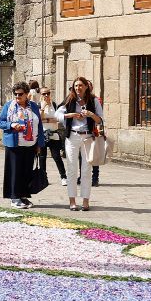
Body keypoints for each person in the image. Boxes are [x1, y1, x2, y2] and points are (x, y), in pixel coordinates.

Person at [57, 76, 104, 212]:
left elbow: (100, 120)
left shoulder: (93, 100)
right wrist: (69, 115)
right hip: (72, 136)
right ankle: (72, 201)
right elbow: (57, 114)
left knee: (86, 170)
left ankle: (85, 201)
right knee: (71, 169)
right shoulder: (69, 99)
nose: (78, 88)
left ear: (86, 87)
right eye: (76, 86)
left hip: (88, 137)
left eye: (81, 86)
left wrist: (90, 114)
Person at [0, 81, 44, 208]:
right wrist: (11, 125)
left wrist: (39, 144)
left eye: (20, 94)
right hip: (14, 144)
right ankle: (14, 197)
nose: (17, 97)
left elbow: (39, 125)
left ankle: (24, 196)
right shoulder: (9, 106)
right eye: (16, 94)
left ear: (27, 94)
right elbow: (0, 122)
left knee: (26, 172)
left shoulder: (33, 106)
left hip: (30, 144)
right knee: (15, 172)